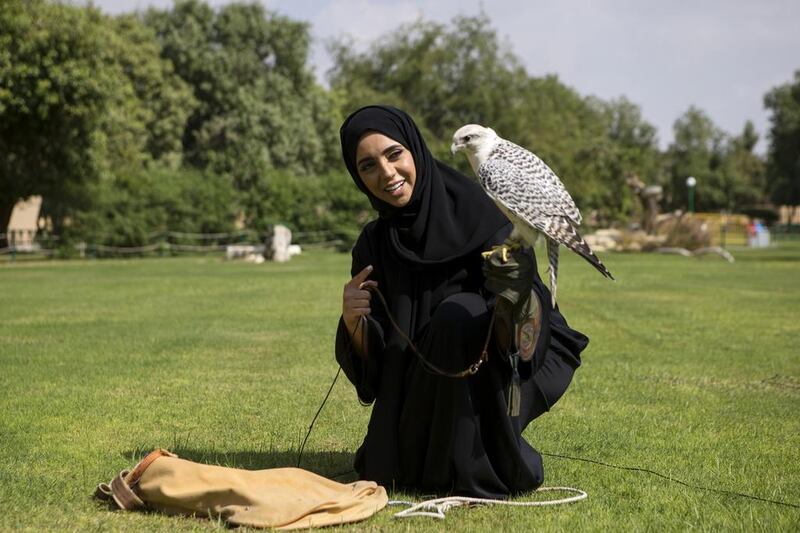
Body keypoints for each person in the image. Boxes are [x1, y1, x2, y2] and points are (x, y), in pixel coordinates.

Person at [335, 105, 589, 498]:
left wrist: (514, 295)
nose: (386, 174)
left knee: (459, 313)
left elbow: (524, 338)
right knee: (386, 467)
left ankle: (481, 457)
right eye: (368, 166)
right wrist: (353, 320)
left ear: (415, 150)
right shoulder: (373, 243)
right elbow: (374, 370)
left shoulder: (486, 213)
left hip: (485, 382)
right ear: (357, 177)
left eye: (394, 154)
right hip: (412, 387)